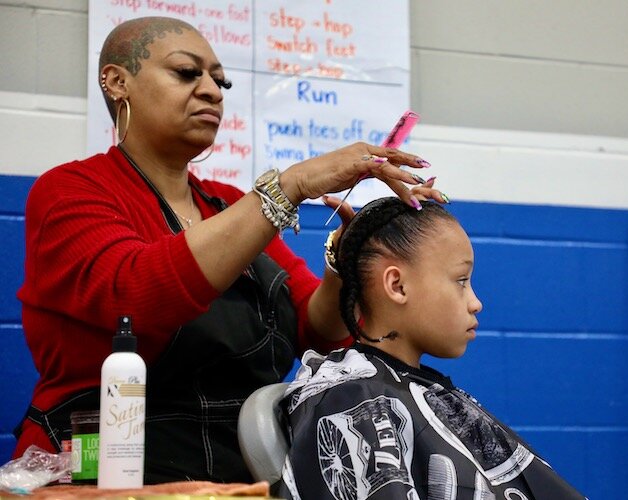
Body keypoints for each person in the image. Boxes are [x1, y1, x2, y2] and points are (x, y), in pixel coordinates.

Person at [13, 16, 446, 484]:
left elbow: (314, 328)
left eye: (221, 81)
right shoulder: (70, 191)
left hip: (239, 476)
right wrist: (288, 186)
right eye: (186, 73)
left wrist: (344, 260)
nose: (212, 91)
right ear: (119, 82)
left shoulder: (229, 205)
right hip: (102, 475)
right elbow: (136, 296)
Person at [279, 197, 586, 499]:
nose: (476, 302)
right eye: (461, 280)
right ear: (398, 286)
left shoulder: (415, 388)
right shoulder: (351, 401)